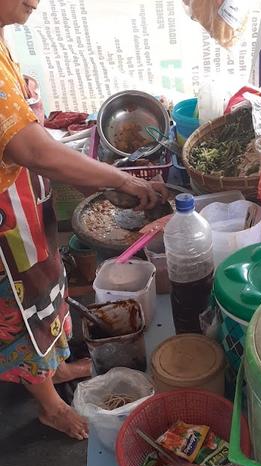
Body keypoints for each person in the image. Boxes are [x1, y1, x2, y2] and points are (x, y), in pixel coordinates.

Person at [0, 0, 168, 439]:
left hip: (24, 201)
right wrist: (123, 182)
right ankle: (49, 406)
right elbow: (33, 151)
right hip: (4, 220)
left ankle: (49, 370)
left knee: (46, 288)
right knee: (21, 306)